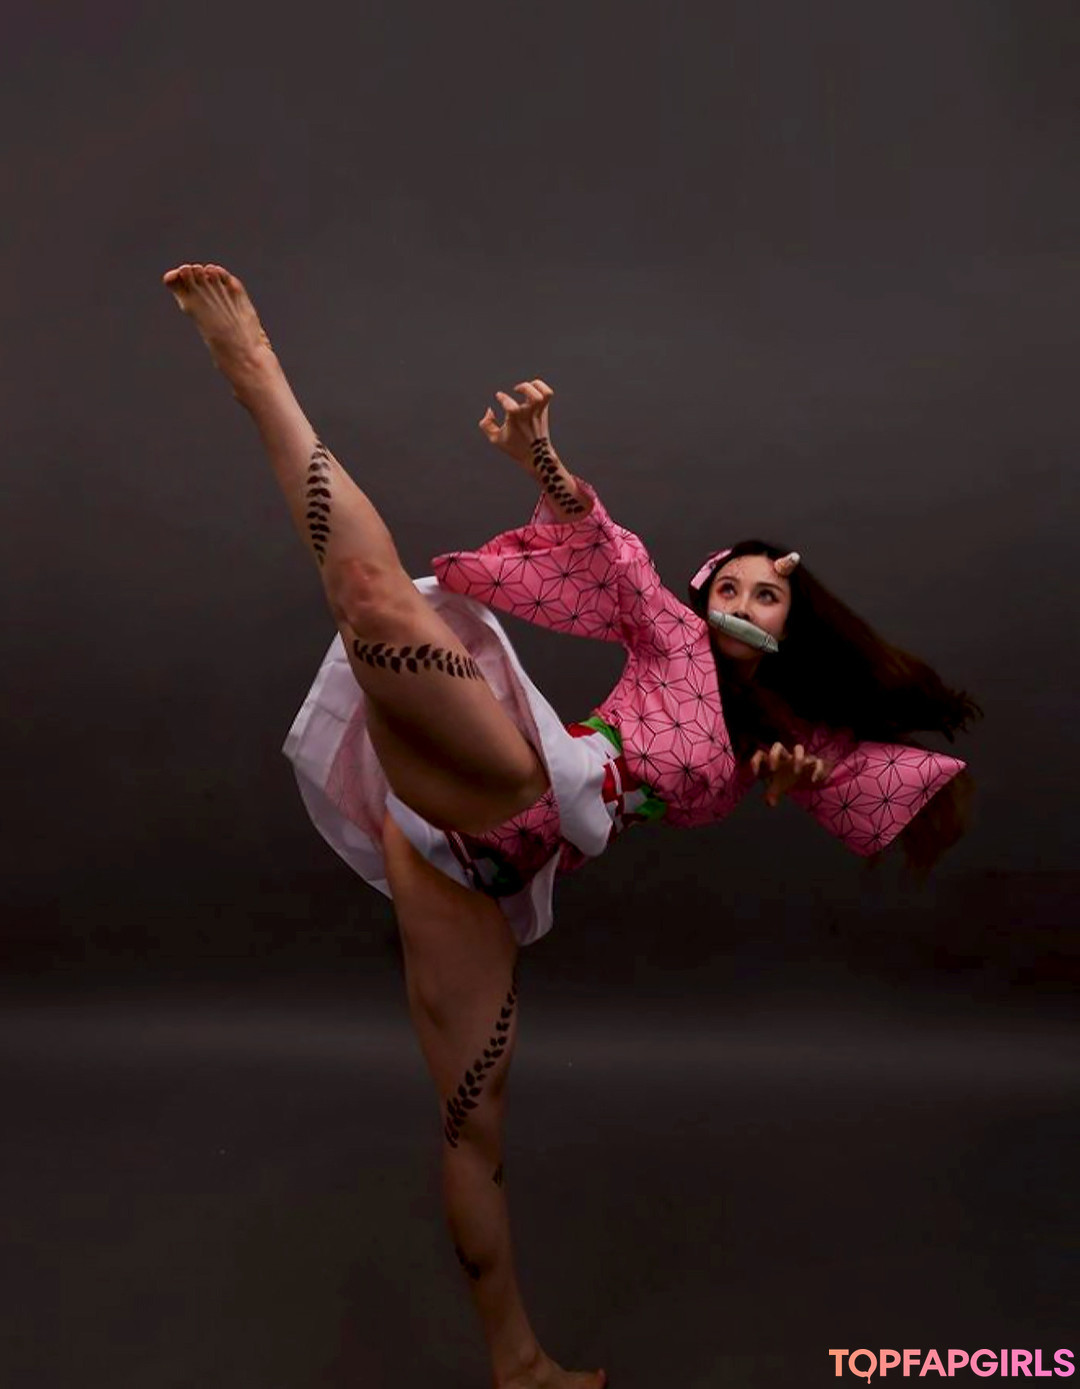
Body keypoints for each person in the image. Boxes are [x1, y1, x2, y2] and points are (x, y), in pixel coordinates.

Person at [163, 262, 980, 1389]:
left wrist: (785, 774)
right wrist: (540, 456)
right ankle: (257, 371)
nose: (743, 604)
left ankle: (520, 1367)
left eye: (768, 595)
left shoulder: (774, 750)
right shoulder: (670, 635)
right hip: (517, 773)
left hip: (480, 876)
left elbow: (823, 783)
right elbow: (607, 546)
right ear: (706, 596)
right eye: (732, 587)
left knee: (473, 1124)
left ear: (795, 622)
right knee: (375, 600)